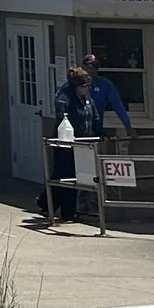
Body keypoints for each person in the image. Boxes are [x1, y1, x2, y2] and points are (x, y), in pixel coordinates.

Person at [46, 66, 100, 224]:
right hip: (66, 144)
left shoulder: (87, 99)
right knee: (64, 177)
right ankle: (64, 211)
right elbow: (61, 117)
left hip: (83, 143)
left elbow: (93, 115)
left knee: (76, 177)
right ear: (78, 86)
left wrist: (99, 132)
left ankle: (58, 208)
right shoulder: (65, 97)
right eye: (86, 86)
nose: (88, 89)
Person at [79, 52, 134, 138]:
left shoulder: (105, 84)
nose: (93, 70)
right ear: (83, 68)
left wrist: (128, 127)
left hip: (96, 130)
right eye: (90, 67)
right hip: (77, 130)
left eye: (96, 67)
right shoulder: (74, 84)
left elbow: (118, 105)